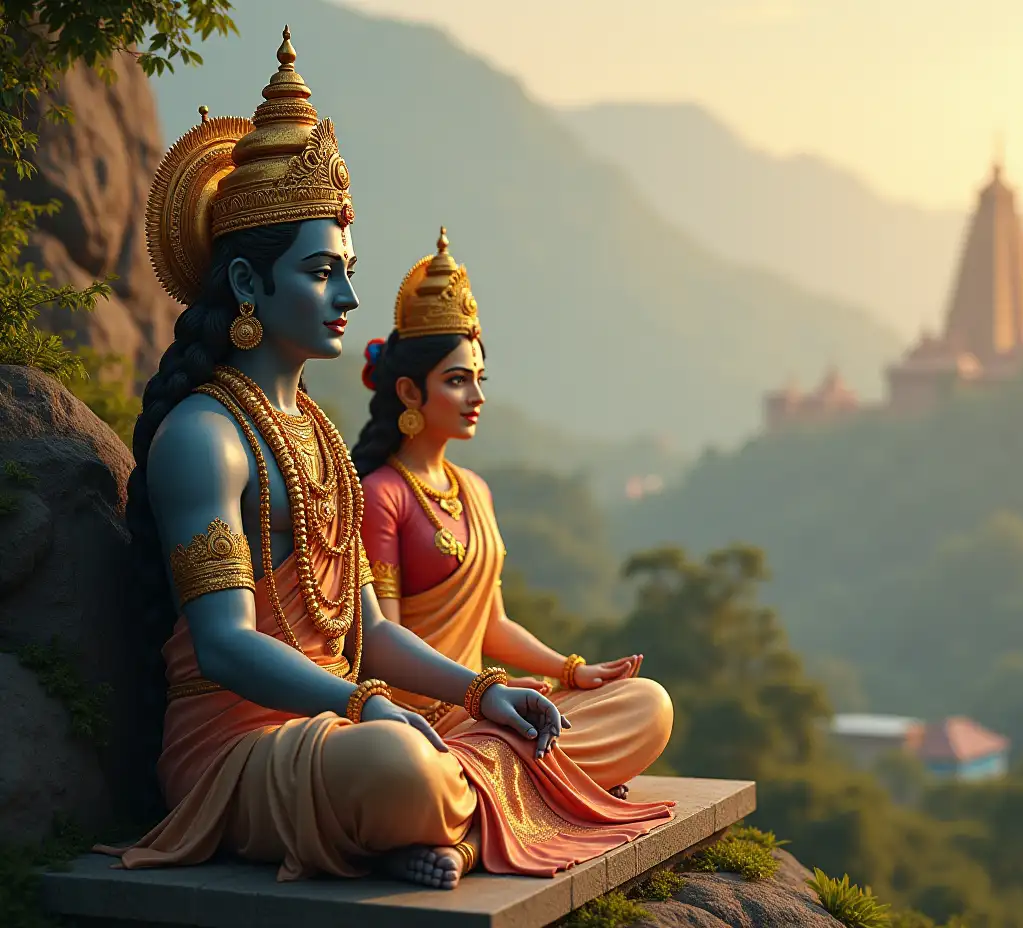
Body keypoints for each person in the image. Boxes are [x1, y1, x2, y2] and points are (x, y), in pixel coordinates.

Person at [104, 26, 673, 891]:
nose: (349, 296)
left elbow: (368, 633)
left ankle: (452, 811)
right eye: (325, 272)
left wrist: (487, 695)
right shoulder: (203, 436)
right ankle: (455, 804)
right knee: (399, 771)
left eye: (348, 270)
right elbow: (222, 647)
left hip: (356, 723)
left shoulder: (324, 439)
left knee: (637, 710)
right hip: (252, 750)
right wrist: (362, 705)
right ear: (250, 286)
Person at [351, 231, 675, 804]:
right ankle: (518, 782)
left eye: (479, 378)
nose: (476, 395)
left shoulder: (473, 489)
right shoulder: (382, 495)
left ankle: (517, 780)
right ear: (408, 390)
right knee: (427, 766)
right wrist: (481, 693)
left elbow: (493, 625)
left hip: (489, 709)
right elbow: (385, 645)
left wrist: (571, 672)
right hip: (428, 721)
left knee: (648, 703)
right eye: (456, 380)